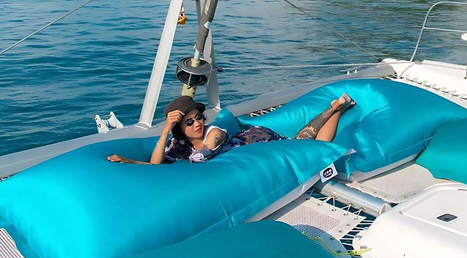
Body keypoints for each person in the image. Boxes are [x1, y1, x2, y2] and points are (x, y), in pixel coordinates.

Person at [107, 93, 354, 164]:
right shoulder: (178, 144)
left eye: (199, 117)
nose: (198, 124)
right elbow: (156, 166)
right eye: (189, 122)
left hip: (258, 140)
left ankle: (335, 109)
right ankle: (335, 107)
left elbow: (208, 150)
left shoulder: (214, 131)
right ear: (179, 129)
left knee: (312, 146)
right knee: (303, 139)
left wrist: (197, 153)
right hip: (253, 145)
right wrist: (164, 132)